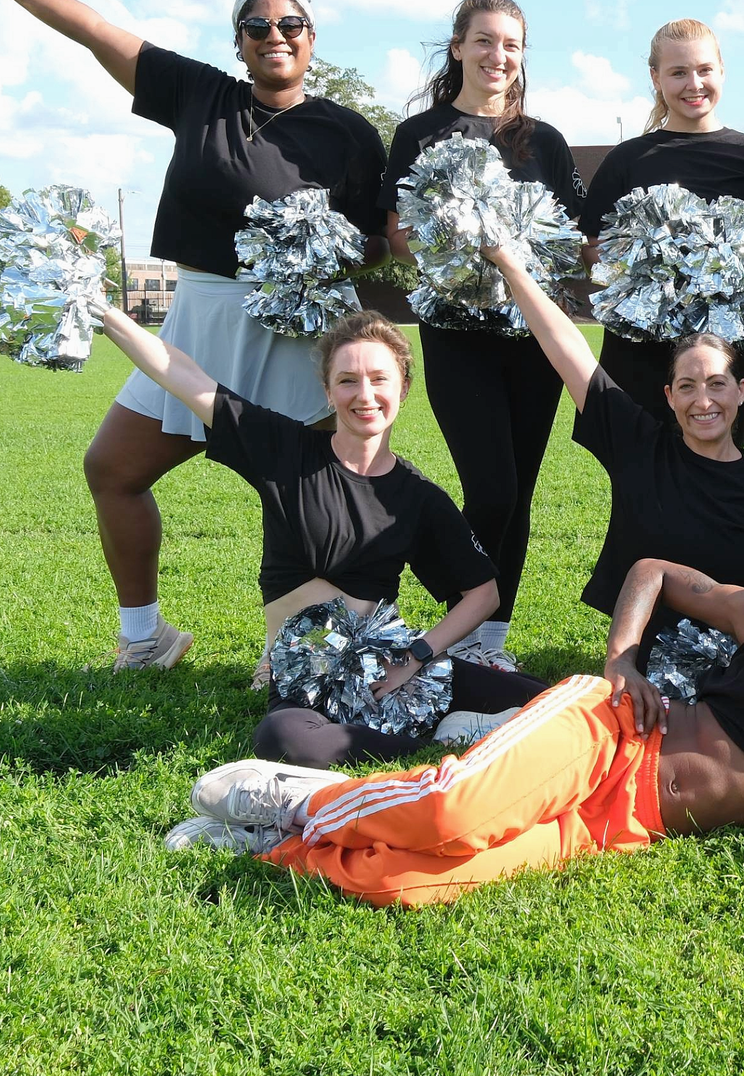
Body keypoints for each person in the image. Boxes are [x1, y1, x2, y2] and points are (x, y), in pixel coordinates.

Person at [164, 506, 744, 909]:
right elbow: (651, 567)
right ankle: (301, 794)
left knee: (412, 885)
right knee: (449, 812)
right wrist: (620, 660)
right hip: (608, 734)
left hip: (623, 823)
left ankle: (274, 841)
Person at [0, 0, 388, 671]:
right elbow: (94, 30)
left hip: (303, 334)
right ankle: (145, 637)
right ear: (238, 44)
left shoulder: (349, 131)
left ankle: (299, 646)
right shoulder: (202, 95)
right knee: (112, 467)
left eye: (289, 25)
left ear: (311, 40)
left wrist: (320, 260)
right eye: (257, 26)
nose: (275, 36)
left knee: (307, 496)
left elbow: (377, 242)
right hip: (200, 317)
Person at [90, 301, 546, 766]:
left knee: (554, 701)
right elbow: (182, 373)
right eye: (347, 380)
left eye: (379, 379)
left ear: (404, 389)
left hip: (388, 668)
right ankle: (440, 742)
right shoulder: (284, 452)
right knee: (283, 737)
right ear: (328, 392)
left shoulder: (419, 496)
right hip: (309, 680)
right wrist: (104, 313)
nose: (364, 395)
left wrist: (416, 656)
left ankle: (447, 726)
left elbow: (483, 592)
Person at [483, 219, 744, 639]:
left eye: (717, 384)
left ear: (741, 391)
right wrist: (504, 258)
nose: (703, 401)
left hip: (741, 668)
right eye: (687, 387)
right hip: (644, 667)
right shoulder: (640, 448)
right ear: (669, 396)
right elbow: (566, 347)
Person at [382, 0, 587, 671]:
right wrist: (464, 242)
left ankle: (487, 644)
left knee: (517, 494)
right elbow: (399, 237)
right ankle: (459, 611)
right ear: (458, 46)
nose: (498, 56)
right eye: (486, 41)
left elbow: (572, 240)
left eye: (511, 45)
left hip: (533, 342)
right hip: (456, 334)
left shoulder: (546, 141)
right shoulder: (421, 135)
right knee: (491, 486)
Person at [577, 19, 744, 446]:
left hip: (723, 353)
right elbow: (592, 249)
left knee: (718, 476)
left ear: (722, 70)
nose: (694, 83)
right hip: (639, 351)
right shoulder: (628, 159)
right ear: (656, 77)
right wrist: (651, 271)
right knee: (638, 487)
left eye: (705, 69)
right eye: (678, 72)